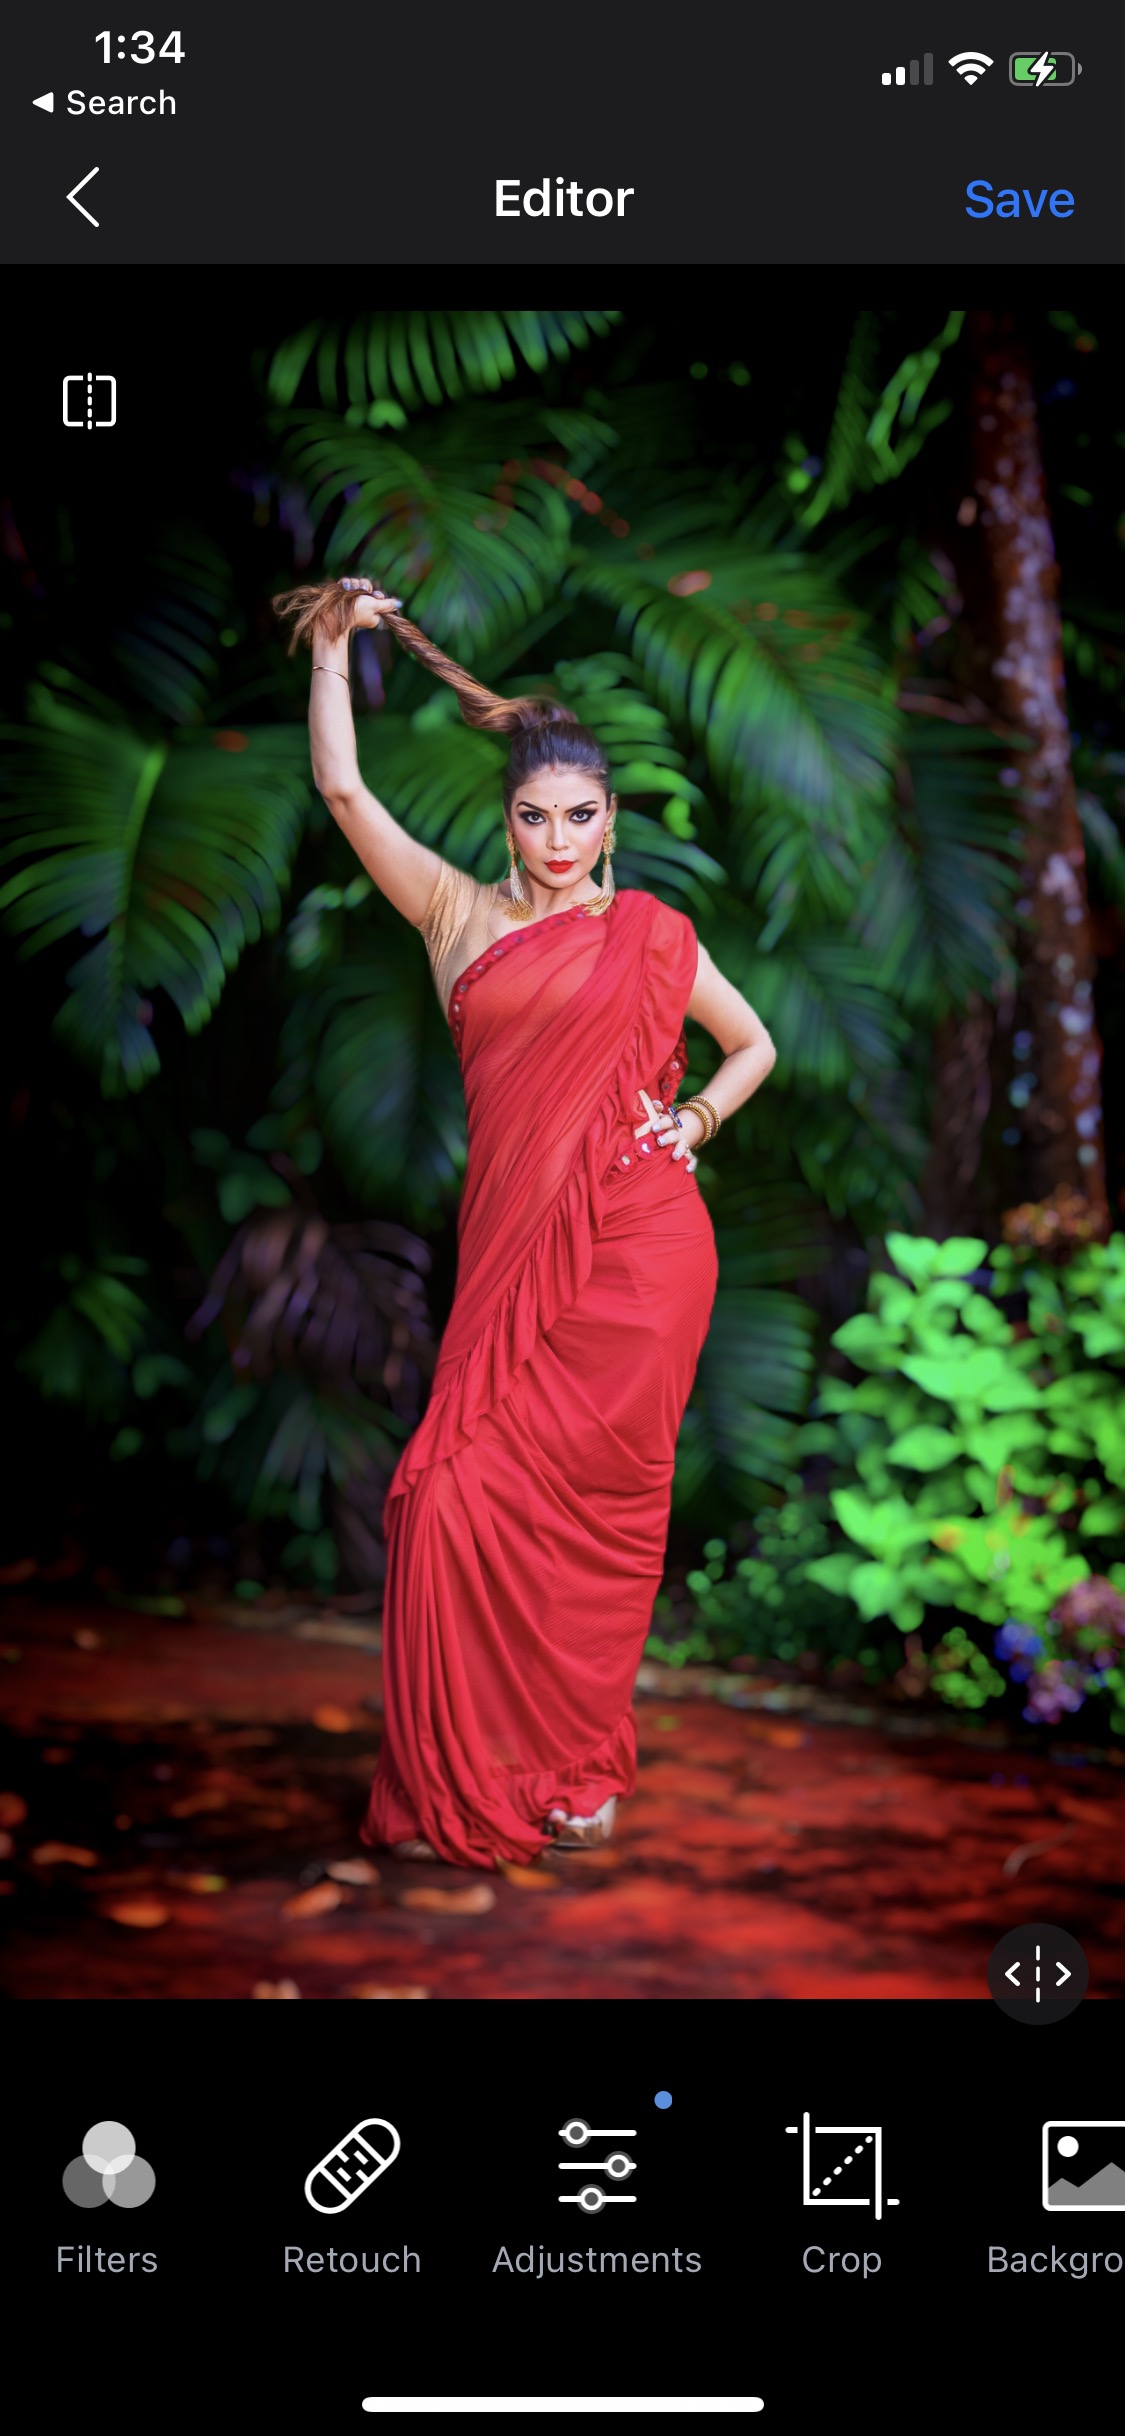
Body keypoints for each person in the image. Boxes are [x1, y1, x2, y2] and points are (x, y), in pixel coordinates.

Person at [273, 574, 777, 1868]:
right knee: (449, 1499)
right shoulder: (457, 916)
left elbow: (754, 1044)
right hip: (514, 1259)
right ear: (507, 821)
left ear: (611, 824)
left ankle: (583, 1768)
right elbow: (344, 792)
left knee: (606, 1517)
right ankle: (481, 1762)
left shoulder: (652, 934)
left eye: (581, 816)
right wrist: (330, 646)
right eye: (536, 816)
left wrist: (697, 1121)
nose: (559, 838)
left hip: (644, 1249)